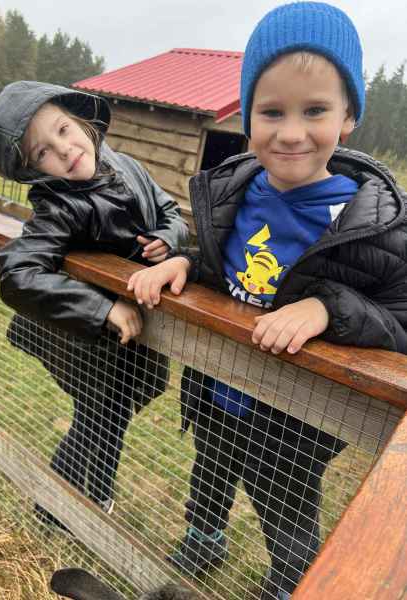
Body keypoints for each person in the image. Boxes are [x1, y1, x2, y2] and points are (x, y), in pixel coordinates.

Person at [127, 3, 407, 598]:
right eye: (272, 111)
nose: (291, 132)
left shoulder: (374, 222)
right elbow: (220, 266)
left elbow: (401, 320)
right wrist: (185, 263)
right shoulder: (233, 193)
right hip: (217, 384)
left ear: (349, 116)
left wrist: (327, 309)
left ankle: (288, 583)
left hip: (297, 415)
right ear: (247, 115)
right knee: (210, 466)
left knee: (286, 503)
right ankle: (205, 535)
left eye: (315, 111)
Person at [0, 81, 189, 527]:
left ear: (81, 122)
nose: (64, 149)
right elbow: (17, 273)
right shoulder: (59, 205)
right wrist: (102, 308)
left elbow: (170, 211)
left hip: (138, 335)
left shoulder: (126, 164)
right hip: (90, 342)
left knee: (116, 415)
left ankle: (96, 494)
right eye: (43, 152)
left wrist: (168, 238)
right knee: (96, 417)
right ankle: (53, 508)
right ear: (33, 169)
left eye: (63, 130)